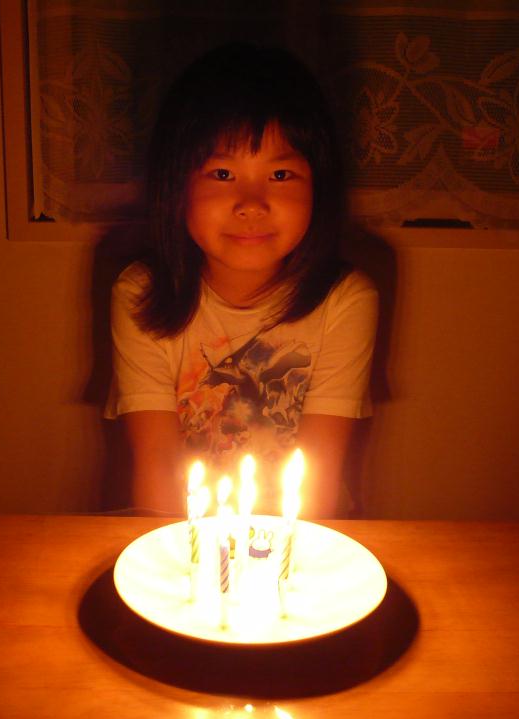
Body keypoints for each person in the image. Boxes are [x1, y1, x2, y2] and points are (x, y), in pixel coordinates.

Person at [105, 42, 378, 517]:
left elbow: (321, 470)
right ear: (176, 185)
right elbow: (156, 458)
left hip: (300, 537)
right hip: (180, 532)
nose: (251, 203)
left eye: (280, 174)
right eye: (223, 172)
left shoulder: (345, 301)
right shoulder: (141, 295)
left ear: (320, 185)